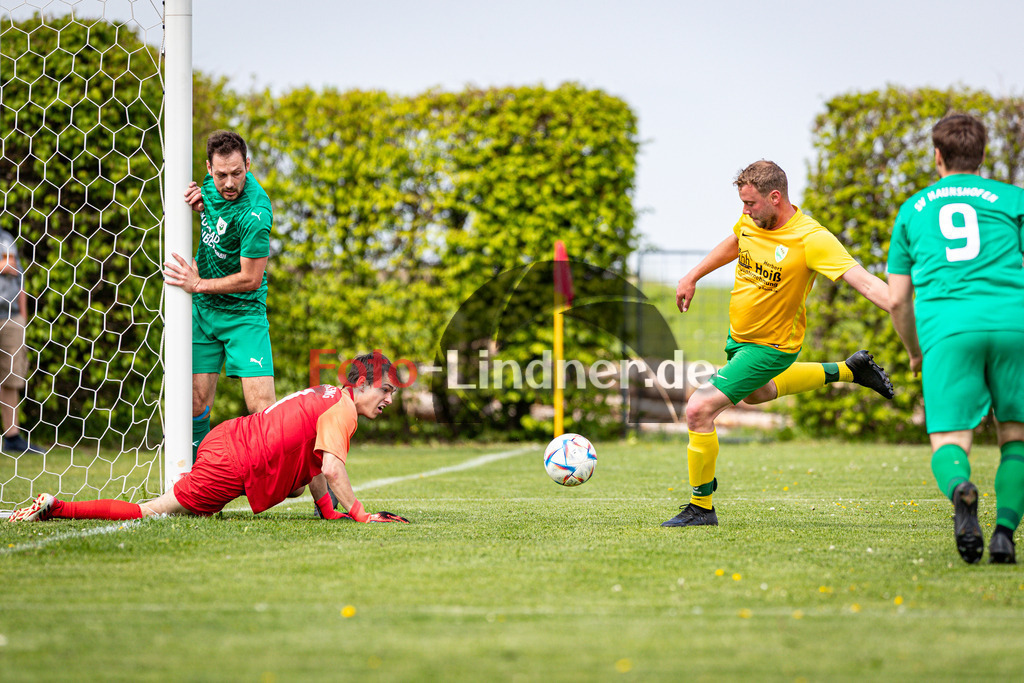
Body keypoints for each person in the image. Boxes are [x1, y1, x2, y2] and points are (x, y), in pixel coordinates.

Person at [664, 160, 893, 528]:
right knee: (756, 394)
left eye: (751, 203)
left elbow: (865, 282)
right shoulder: (752, 222)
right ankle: (850, 370)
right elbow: (736, 241)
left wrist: (907, 311)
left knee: (698, 409)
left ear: (775, 197)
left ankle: (700, 507)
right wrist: (693, 275)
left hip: (772, 347)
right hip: (739, 341)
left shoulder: (811, 238)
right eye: (742, 203)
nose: (745, 211)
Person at [8, 351, 409, 524]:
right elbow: (335, 467)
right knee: (153, 510)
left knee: (292, 488)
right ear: (361, 385)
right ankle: (59, 508)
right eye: (385, 390)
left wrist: (327, 507)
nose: (389, 399)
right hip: (233, 464)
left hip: (228, 435)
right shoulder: (343, 412)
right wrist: (360, 514)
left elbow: (317, 460)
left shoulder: (327, 393)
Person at [888, 113, 1024, 565]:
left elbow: (898, 300)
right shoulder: (1013, 199)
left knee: (950, 441)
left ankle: (962, 491)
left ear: (938, 156)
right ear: (983, 155)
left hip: (948, 330)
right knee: (1016, 438)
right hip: (1014, 324)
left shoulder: (913, 209)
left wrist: (914, 350)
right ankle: (1004, 534)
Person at [163, 130, 276, 463]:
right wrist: (199, 206)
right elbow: (212, 209)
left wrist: (198, 284)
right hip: (204, 312)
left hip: (244, 314)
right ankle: (200, 480)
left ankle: (293, 476)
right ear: (209, 168)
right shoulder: (208, 186)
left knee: (263, 410)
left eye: (238, 173)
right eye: (221, 174)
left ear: (248, 165)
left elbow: (251, 279)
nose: (229, 183)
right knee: (195, 402)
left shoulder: (256, 212)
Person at [0, 227, 43, 455]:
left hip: (9, 317)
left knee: (10, 378)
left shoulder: (5, 237)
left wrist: (22, 318)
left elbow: (14, 270)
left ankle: (12, 437)